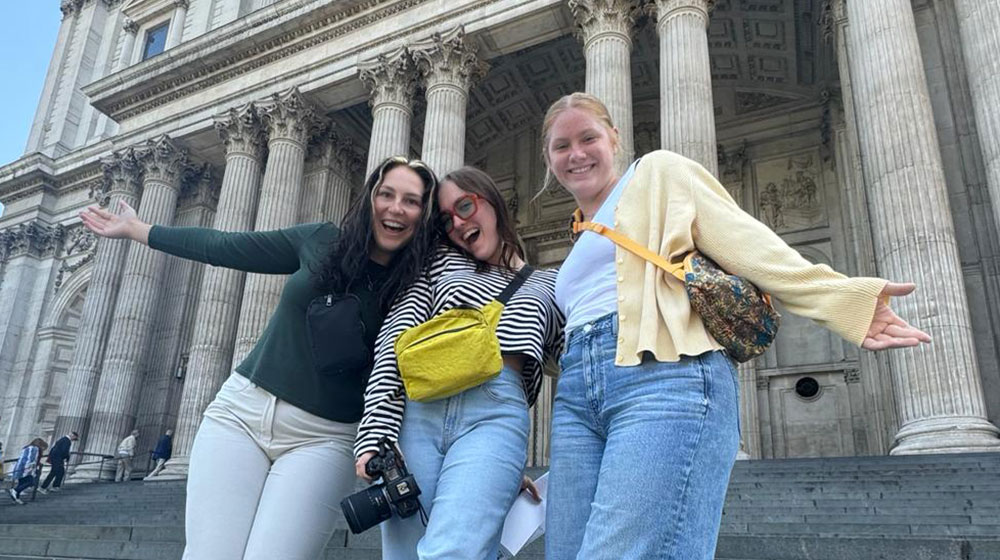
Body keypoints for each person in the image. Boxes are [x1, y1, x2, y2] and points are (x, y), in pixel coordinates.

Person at [538, 92, 932, 560]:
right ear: (548, 158)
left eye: (588, 138)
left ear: (615, 139)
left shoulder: (659, 173)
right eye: (562, 146)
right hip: (579, 392)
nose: (576, 154)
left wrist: (846, 301)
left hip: (664, 376)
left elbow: (748, 244)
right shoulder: (581, 229)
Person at [79, 156, 438, 560]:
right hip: (240, 415)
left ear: (423, 215)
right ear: (370, 196)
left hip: (324, 438)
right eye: (386, 194)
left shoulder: (421, 283)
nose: (395, 208)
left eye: (411, 201)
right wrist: (138, 229)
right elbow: (227, 247)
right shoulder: (321, 240)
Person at [354, 167, 564, 559]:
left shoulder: (551, 285)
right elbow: (395, 339)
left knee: (452, 552)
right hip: (420, 413)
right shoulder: (437, 262)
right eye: (446, 220)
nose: (458, 223)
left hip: (496, 416)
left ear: (494, 202)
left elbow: (578, 366)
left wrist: (500, 467)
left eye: (465, 206)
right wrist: (376, 432)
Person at [8, 438, 47, 505]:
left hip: (20, 466)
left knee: (22, 483)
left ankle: (16, 498)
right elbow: (31, 459)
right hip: (26, 468)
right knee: (31, 482)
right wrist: (31, 469)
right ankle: (15, 491)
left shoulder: (26, 447)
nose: (43, 450)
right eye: (44, 448)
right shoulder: (35, 449)